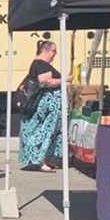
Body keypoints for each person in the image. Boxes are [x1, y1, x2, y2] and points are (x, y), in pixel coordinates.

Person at [18, 40, 64, 172]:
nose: (55, 54)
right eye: (54, 51)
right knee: (44, 132)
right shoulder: (42, 64)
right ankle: (40, 161)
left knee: (45, 132)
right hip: (46, 107)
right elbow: (45, 82)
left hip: (46, 106)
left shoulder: (38, 64)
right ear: (46, 50)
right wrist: (65, 80)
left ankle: (44, 159)